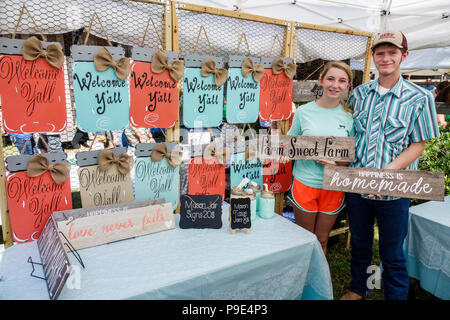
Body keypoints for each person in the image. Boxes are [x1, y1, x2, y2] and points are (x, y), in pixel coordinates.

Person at [341, 30, 440, 300]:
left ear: (403, 56)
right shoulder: (359, 95)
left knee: (392, 251)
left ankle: (396, 295)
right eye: (380, 53)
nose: (386, 58)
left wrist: (386, 173)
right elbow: (349, 136)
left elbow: (418, 145)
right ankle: (357, 288)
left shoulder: (420, 98)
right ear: (373, 57)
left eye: (392, 52)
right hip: (358, 186)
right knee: (360, 243)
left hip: (395, 189)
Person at [280, 61, 354, 255]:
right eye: (330, 79)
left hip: (333, 186)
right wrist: (278, 152)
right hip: (306, 184)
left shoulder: (350, 117)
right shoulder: (304, 112)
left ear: (348, 86)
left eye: (342, 81)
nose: (335, 85)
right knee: (305, 239)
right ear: (321, 81)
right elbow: (288, 145)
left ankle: (317, 282)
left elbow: (348, 158)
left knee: (321, 240)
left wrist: (335, 163)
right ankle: (302, 280)